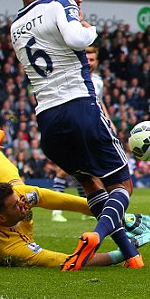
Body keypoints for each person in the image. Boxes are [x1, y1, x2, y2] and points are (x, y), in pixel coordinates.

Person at [10, 0, 142, 271]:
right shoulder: (59, 4)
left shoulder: (14, 27)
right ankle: (96, 235)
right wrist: (83, 22)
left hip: (47, 118)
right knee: (122, 186)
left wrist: (65, 10)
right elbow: (76, 38)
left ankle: (132, 256)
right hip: (79, 105)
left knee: (89, 184)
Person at [0, 130, 150, 267]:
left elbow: (60, 200)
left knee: (17, 186)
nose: (22, 204)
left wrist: (116, 215)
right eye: (15, 206)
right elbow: (69, 259)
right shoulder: (12, 249)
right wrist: (120, 253)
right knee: (17, 187)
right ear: (2, 218)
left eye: (18, 201)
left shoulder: (16, 200)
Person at [51, 44, 106, 222]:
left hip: (90, 127)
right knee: (63, 169)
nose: (89, 62)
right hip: (72, 125)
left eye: (92, 59)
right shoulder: (73, 76)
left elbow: (99, 103)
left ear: (97, 62)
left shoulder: (98, 82)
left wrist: (108, 121)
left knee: (87, 171)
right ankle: (56, 211)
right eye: (87, 58)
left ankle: (87, 208)